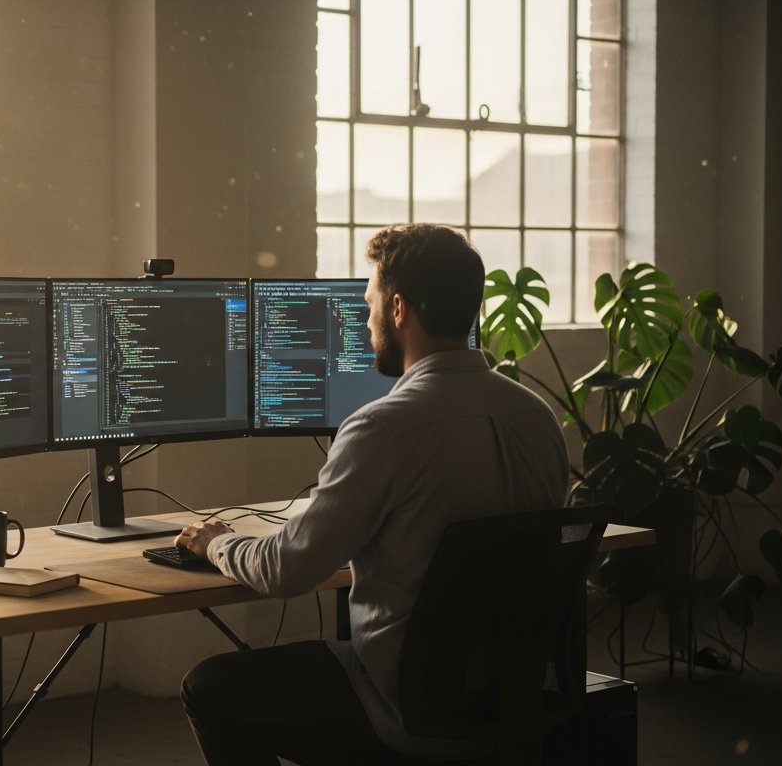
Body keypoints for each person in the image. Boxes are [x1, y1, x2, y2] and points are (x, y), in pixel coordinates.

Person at [176, 223, 570, 765]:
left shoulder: (382, 429)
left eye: (369, 304)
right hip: (515, 699)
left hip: (408, 705)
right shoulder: (538, 416)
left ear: (398, 308)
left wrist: (217, 542)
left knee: (209, 686)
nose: (366, 322)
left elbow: (286, 571)